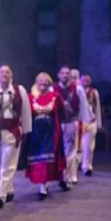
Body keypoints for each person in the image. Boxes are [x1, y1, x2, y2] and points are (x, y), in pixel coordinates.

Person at [0, 65, 32, 208]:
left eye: (7, 72)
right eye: (2, 72)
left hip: (13, 131)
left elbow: (26, 111)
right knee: (0, 164)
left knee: (8, 164)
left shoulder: (20, 90)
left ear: (11, 75)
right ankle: (9, 189)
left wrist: (26, 130)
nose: (5, 74)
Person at [26, 72, 66, 200]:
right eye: (41, 80)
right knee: (39, 160)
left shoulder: (55, 96)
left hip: (51, 133)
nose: (43, 82)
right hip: (35, 133)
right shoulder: (30, 97)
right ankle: (43, 184)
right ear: (36, 82)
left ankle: (43, 187)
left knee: (48, 160)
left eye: (46, 80)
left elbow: (62, 113)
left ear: (49, 83)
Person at [53, 66, 89, 188]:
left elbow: (83, 108)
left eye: (67, 73)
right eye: (62, 73)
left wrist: (83, 123)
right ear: (58, 75)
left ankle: (66, 176)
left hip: (71, 122)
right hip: (57, 123)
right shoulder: (53, 88)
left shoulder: (78, 89)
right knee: (56, 150)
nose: (65, 75)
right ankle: (57, 175)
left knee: (70, 151)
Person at [79, 74, 102, 175]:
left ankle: (87, 166)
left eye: (87, 79)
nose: (86, 81)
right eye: (84, 79)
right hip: (79, 122)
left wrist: (98, 123)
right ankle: (76, 165)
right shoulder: (77, 90)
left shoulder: (94, 92)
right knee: (78, 146)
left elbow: (97, 108)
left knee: (89, 146)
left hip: (91, 121)